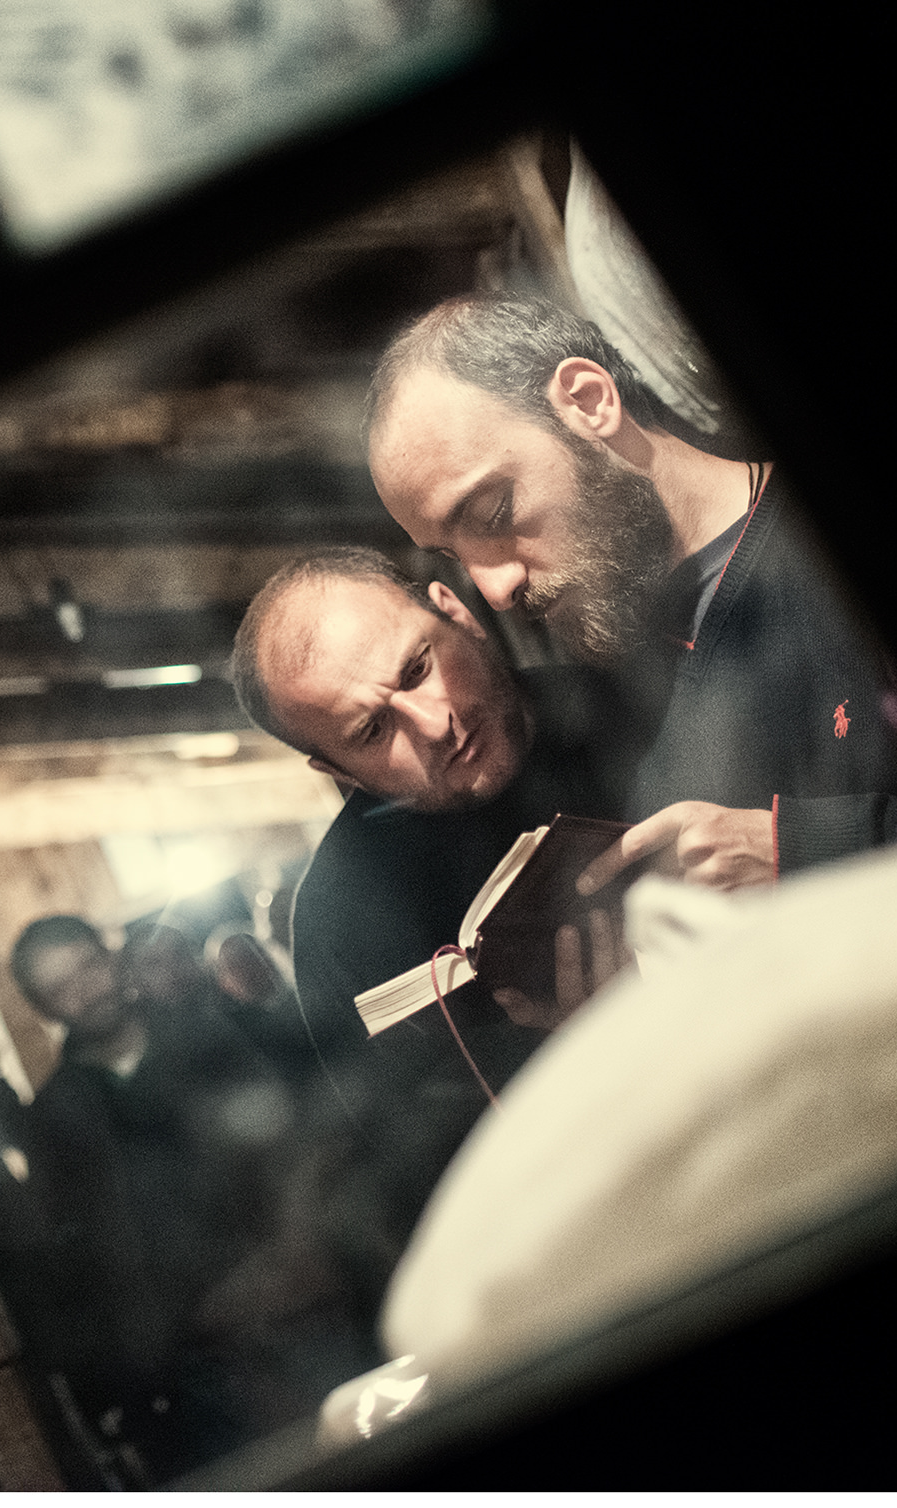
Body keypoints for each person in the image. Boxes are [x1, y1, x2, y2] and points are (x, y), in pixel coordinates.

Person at [363, 292, 897, 894]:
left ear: (589, 402)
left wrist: (810, 852)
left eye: (493, 511)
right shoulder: (624, 684)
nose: (495, 590)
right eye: (453, 556)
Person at [231, 547, 646, 1296]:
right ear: (339, 773)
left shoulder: (636, 699)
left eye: (417, 668)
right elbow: (419, 1198)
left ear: (456, 613)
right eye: (369, 732)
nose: (433, 723)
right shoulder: (338, 921)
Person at [5, 915, 369, 1485]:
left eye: (87, 967)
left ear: (112, 960)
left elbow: (298, 1145)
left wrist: (303, 1253)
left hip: (306, 1302)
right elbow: (94, 1262)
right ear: (43, 1008)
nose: (85, 990)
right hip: (202, 1364)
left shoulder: (210, 1032)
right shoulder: (55, 1119)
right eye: (59, 988)